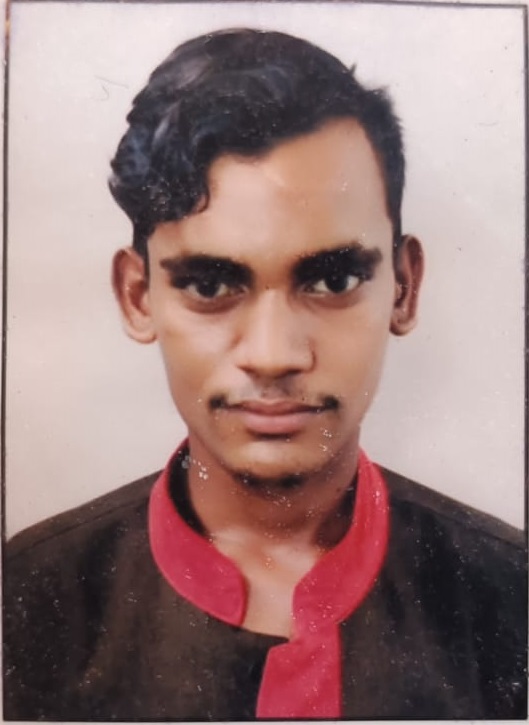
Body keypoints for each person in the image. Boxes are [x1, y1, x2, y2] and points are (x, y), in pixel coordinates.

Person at [3, 28, 526, 721]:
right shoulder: (26, 601)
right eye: (210, 285)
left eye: (333, 279)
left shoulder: (511, 596)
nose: (275, 354)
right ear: (137, 296)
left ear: (402, 287)